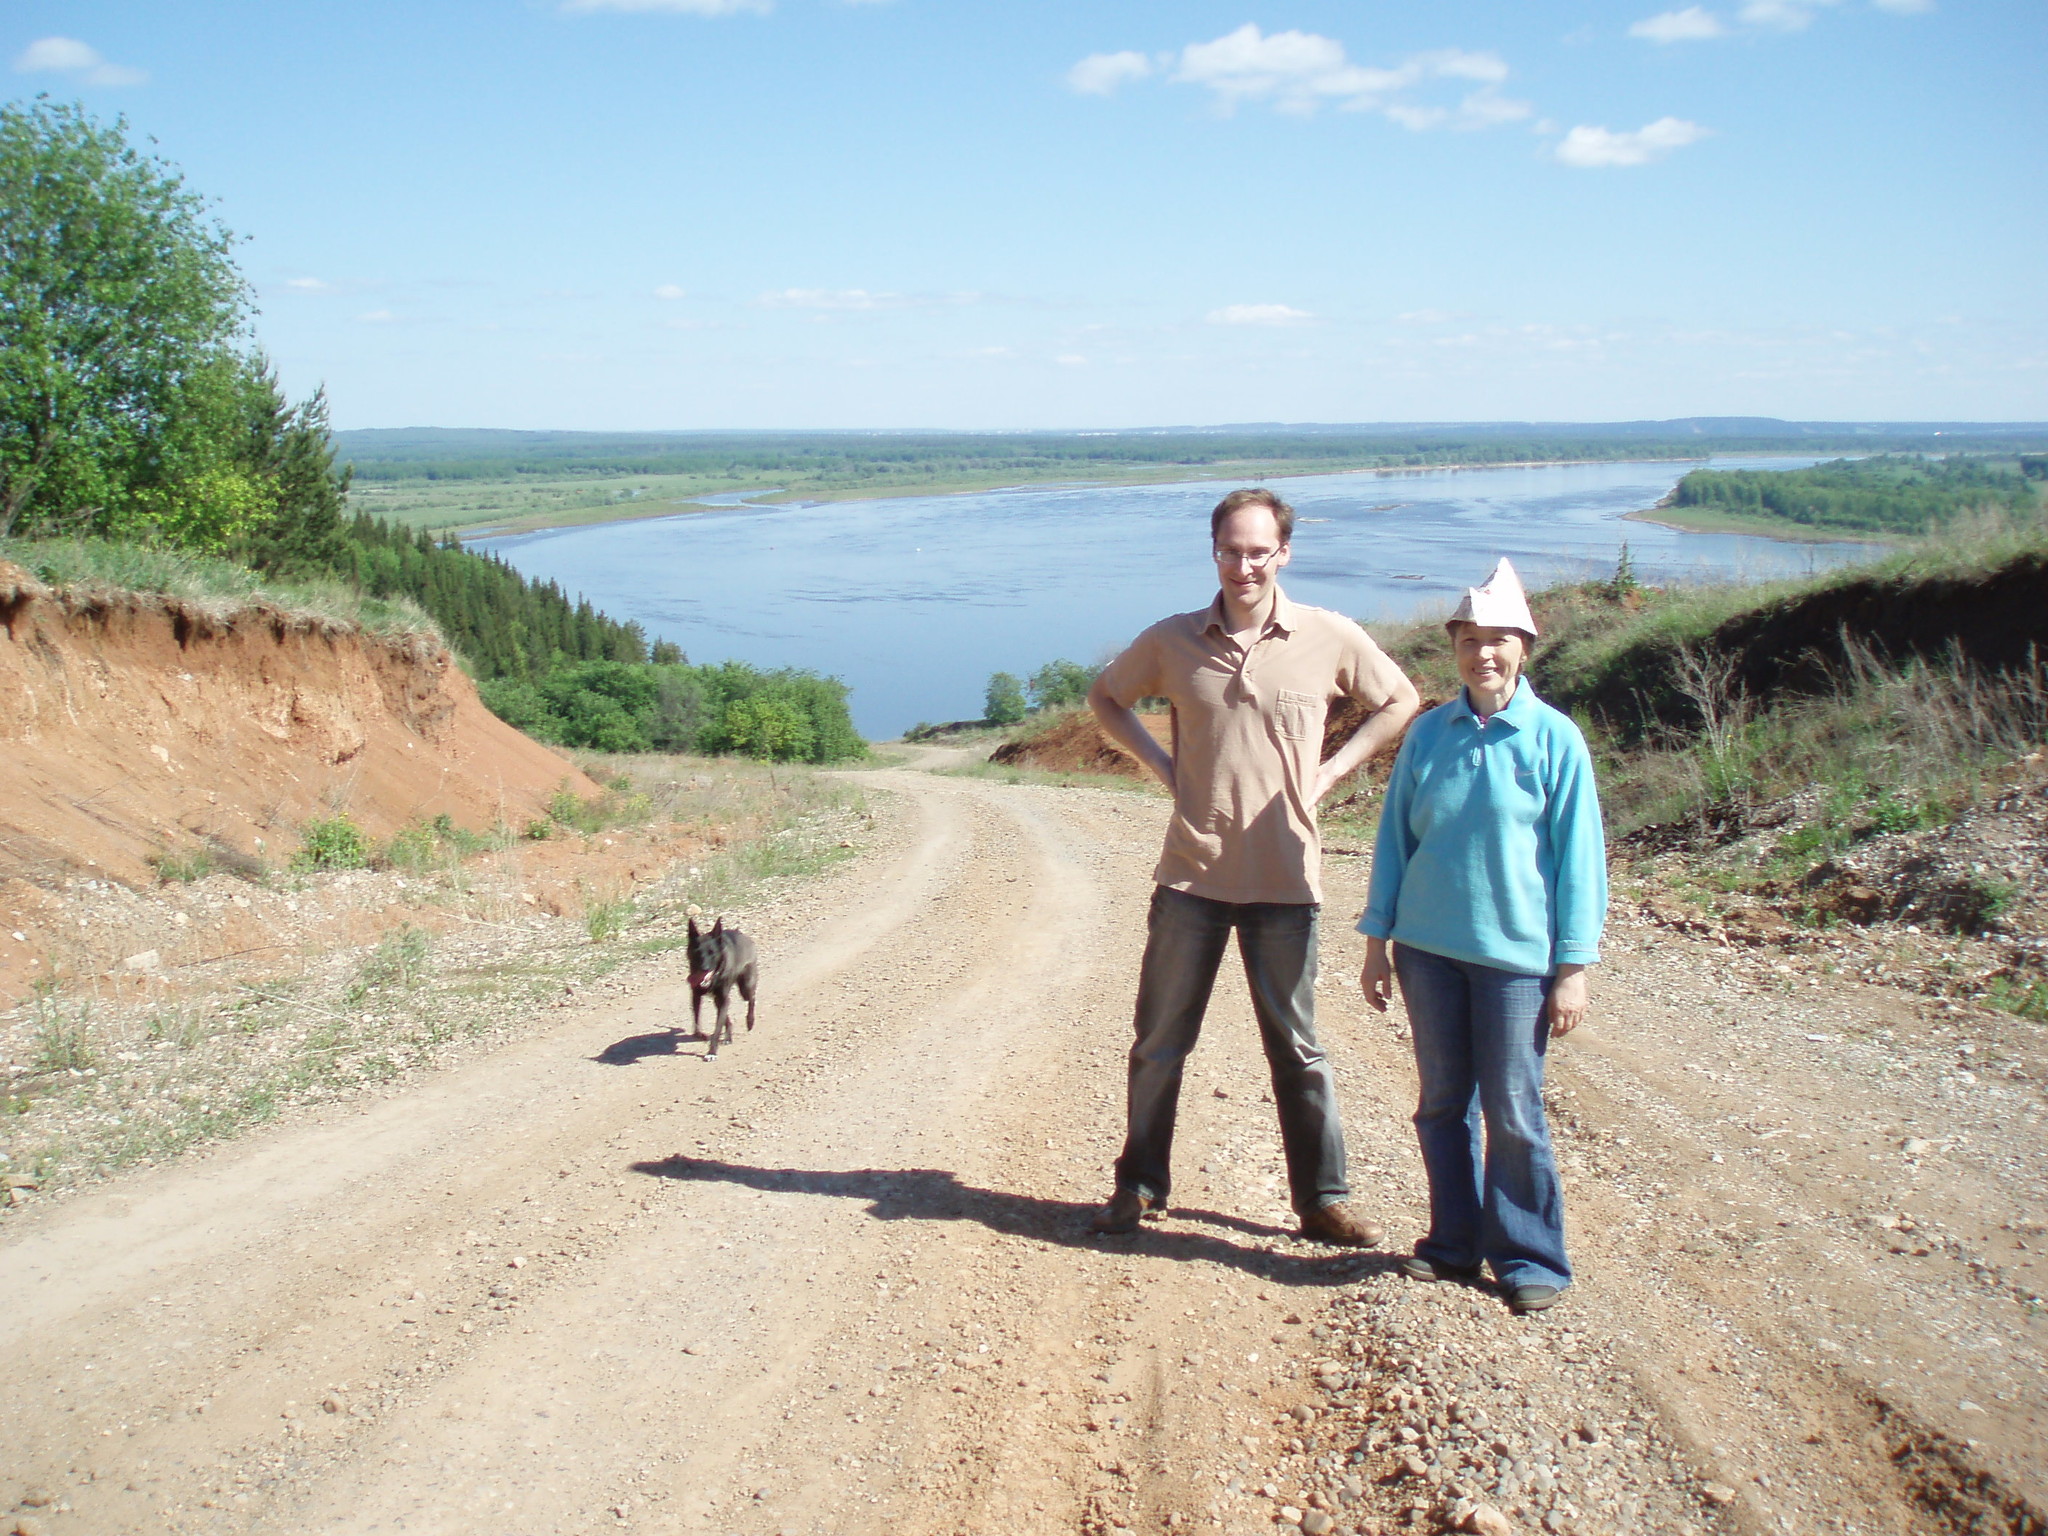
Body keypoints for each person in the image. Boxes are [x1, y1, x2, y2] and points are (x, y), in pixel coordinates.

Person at [1086, 487, 1421, 1242]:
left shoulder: (1327, 636)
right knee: (1159, 1042)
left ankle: (1322, 1201)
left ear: (1284, 553)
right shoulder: (1173, 640)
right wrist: (1161, 765)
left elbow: (1399, 699)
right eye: (1232, 550)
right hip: (1191, 876)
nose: (1245, 565)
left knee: (1298, 1049)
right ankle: (1139, 1187)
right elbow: (1107, 698)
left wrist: (1334, 771)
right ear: (1215, 551)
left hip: (1286, 880)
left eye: (1259, 550)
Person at [1356, 558, 1607, 1313]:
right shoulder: (1429, 735)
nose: (1483, 656)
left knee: (1515, 1111)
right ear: (1455, 648)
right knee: (1441, 1104)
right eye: (1470, 641)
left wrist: (1573, 966)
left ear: (1524, 647)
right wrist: (1377, 943)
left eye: (1498, 640)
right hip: (1427, 952)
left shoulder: (1555, 740)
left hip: (1515, 965)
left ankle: (1531, 1258)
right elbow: (1394, 844)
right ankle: (1452, 1244)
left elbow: (1579, 863)